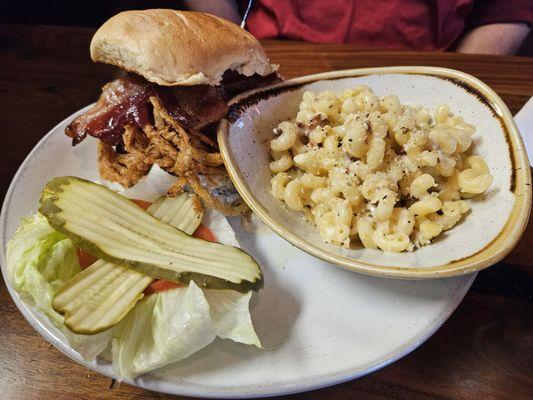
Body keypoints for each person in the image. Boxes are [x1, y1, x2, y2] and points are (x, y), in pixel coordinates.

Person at [184, 0, 532, 55]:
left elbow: (508, 6)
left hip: (430, 61)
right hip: (275, 55)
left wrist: (458, 81)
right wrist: (228, 55)